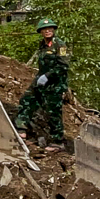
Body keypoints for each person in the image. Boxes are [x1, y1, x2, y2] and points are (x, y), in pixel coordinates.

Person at [15, 18, 71, 150]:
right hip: (41, 80)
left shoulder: (60, 45)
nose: (47, 31)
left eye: (50, 29)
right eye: (44, 29)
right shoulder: (43, 45)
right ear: (40, 32)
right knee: (27, 99)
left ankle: (58, 141)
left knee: (53, 111)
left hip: (55, 84)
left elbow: (63, 65)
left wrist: (48, 76)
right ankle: (21, 128)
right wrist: (40, 77)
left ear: (54, 30)